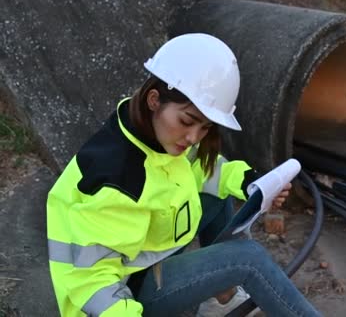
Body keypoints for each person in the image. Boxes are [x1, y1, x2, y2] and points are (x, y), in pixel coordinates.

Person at [46, 33, 321, 317]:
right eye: (187, 121)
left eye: (204, 128)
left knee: (217, 195)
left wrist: (247, 182)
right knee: (249, 260)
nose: (193, 137)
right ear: (154, 100)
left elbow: (202, 170)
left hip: (145, 259)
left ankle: (226, 291)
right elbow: (92, 281)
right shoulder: (120, 178)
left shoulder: (152, 131)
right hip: (122, 294)